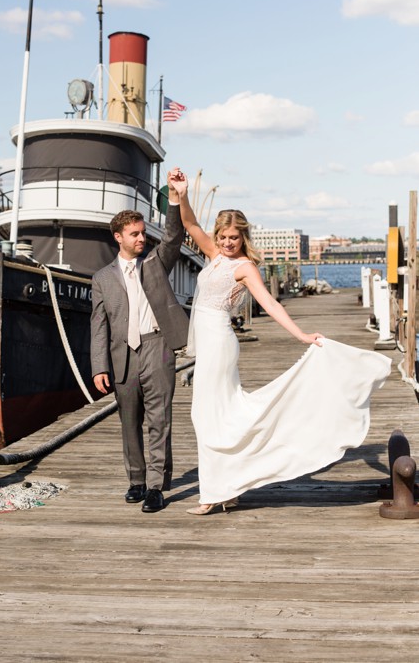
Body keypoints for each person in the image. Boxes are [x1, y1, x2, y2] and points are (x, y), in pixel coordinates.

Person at [169, 171, 391, 515]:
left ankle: (215, 492)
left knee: (211, 416)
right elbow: (189, 222)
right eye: (224, 237)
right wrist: (180, 193)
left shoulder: (244, 267)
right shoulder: (213, 253)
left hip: (220, 344)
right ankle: (225, 487)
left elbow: (271, 305)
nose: (228, 243)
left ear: (244, 237)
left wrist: (301, 335)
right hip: (209, 343)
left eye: (234, 237)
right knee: (213, 417)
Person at [90, 169, 190, 513]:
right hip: (122, 356)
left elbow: (174, 237)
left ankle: (155, 488)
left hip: (157, 348)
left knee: (159, 420)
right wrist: (98, 367)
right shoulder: (101, 278)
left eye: (143, 233)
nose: (141, 239)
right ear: (118, 237)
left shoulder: (157, 262)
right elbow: (98, 325)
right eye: (134, 234)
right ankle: (135, 480)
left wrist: (175, 198)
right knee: (128, 420)